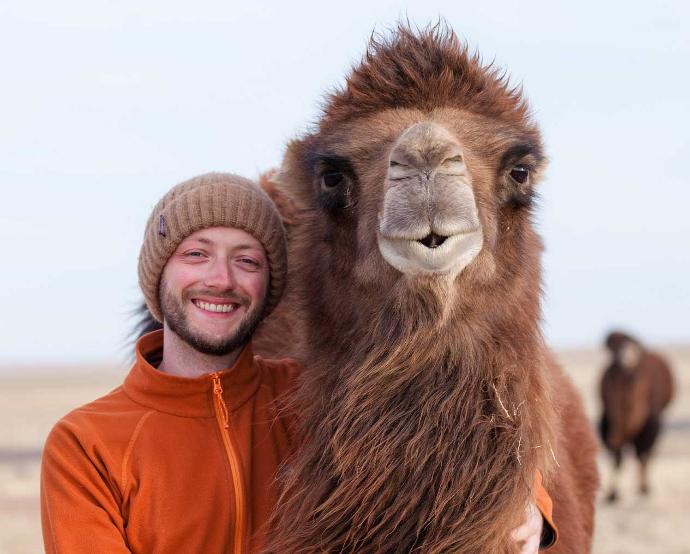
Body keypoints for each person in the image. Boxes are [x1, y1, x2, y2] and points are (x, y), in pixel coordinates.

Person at [40, 172, 557, 553]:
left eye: (247, 260)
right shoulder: (87, 445)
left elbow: (448, 420)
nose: (220, 279)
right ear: (156, 276)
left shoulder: (314, 401)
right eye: (196, 254)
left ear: (269, 288)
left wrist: (530, 502)